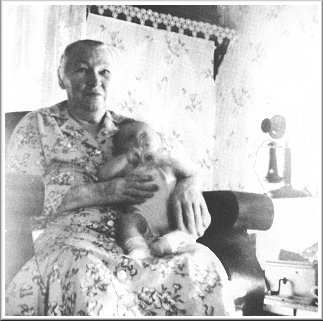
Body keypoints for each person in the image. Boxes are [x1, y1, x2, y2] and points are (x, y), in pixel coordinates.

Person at [5, 39, 234, 316]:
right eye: (81, 70)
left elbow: (172, 166)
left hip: (143, 237)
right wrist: (106, 191)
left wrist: (190, 184)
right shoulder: (37, 125)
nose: (94, 80)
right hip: (73, 238)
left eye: (104, 72)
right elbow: (14, 196)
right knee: (85, 271)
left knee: (200, 263)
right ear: (60, 77)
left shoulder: (132, 130)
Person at [98, 119, 198, 259]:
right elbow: (103, 176)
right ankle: (138, 247)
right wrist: (125, 158)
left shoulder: (168, 163)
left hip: (174, 218)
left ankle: (173, 241)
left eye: (146, 134)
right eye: (130, 138)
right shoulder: (129, 168)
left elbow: (192, 171)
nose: (139, 139)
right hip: (143, 220)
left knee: (193, 221)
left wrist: (169, 159)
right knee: (126, 222)